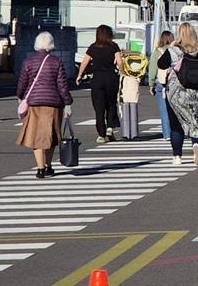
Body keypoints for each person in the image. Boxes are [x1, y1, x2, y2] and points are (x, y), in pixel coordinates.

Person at [158, 22, 198, 166]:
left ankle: (177, 156)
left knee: (176, 124)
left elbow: (161, 64)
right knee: (197, 122)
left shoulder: (173, 51)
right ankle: (196, 145)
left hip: (176, 93)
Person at [16, 32, 73, 178]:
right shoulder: (56, 61)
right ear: (51, 44)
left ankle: (40, 168)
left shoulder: (28, 61)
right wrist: (67, 102)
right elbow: (62, 84)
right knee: (51, 136)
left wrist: (20, 96)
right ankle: (48, 165)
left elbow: (22, 82)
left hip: (34, 103)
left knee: (35, 136)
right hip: (53, 104)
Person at [76, 24, 122, 143]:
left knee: (99, 107)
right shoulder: (114, 46)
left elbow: (84, 62)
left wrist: (79, 75)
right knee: (111, 103)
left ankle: (101, 134)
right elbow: (120, 62)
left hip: (97, 79)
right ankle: (110, 127)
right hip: (111, 77)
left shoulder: (93, 47)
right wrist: (122, 73)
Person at [149, 30, 174, 140]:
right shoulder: (175, 50)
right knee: (176, 110)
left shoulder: (157, 52)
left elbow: (153, 69)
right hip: (174, 82)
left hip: (161, 83)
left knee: (164, 111)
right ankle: (178, 132)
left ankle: (167, 134)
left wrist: (151, 84)